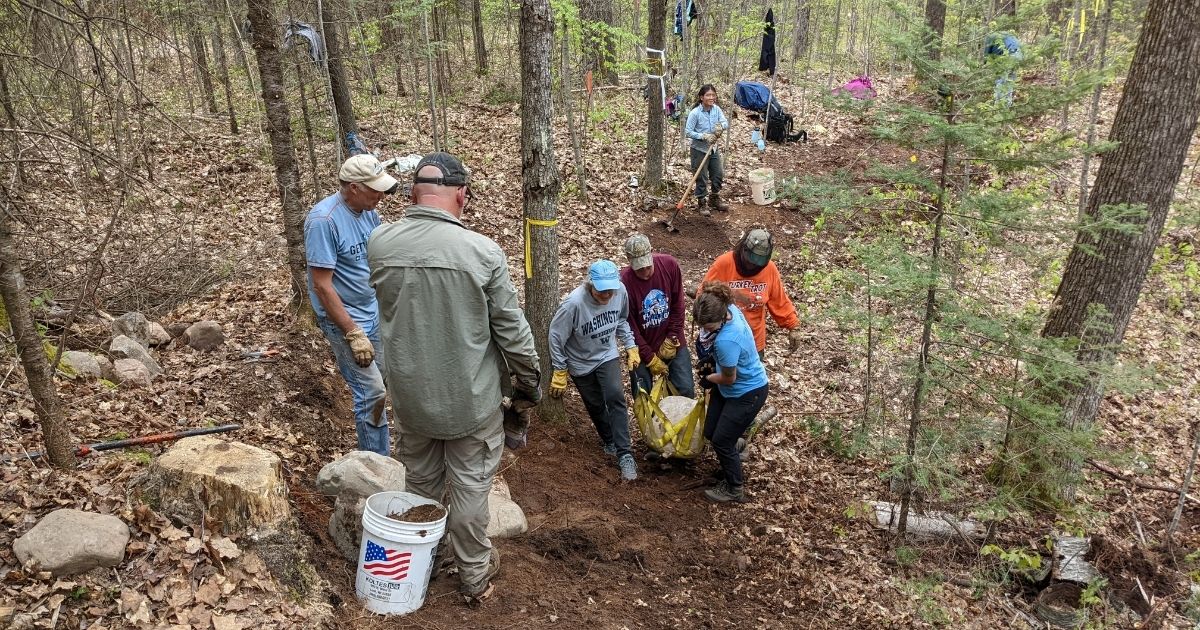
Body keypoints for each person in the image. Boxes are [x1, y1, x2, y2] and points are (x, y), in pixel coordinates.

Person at [367, 152, 541, 605]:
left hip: (410, 400)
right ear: (462, 195)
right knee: (468, 494)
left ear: (411, 195)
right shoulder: (482, 252)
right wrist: (529, 383)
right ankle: (474, 577)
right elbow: (511, 330)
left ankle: (418, 567)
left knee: (420, 488)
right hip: (470, 403)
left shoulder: (381, 244)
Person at [305, 153, 398, 456]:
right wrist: (352, 332)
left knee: (382, 383)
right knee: (371, 392)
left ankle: (379, 446)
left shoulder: (368, 211)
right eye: (375, 190)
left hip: (372, 309)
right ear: (354, 187)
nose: (381, 196)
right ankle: (375, 464)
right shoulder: (324, 221)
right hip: (344, 320)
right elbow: (321, 284)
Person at [548, 260, 641, 481]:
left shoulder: (620, 292)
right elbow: (555, 336)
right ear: (590, 285)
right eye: (602, 290)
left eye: (611, 289)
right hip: (580, 361)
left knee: (616, 396)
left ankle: (625, 453)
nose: (608, 294)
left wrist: (630, 345)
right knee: (595, 404)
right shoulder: (573, 304)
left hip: (606, 353)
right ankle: (608, 439)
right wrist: (560, 369)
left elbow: (621, 319)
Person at [693, 281, 770, 503]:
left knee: (721, 442)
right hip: (730, 389)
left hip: (748, 392)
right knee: (710, 432)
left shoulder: (726, 340)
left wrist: (707, 378)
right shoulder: (730, 308)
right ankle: (737, 447)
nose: (704, 330)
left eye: (707, 326)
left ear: (719, 320)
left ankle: (734, 488)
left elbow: (728, 377)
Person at [700, 227, 802, 357]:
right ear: (743, 249)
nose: (752, 266)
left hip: (753, 342)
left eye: (758, 263)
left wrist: (793, 326)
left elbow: (779, 300)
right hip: (722, 340)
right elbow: (704, 297)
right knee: (719, 375)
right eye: (751, 260)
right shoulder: (724, 264)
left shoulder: (769, 269)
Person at [620, 233, 694, 398]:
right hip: (641, 345)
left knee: (686, 389)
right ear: (629, 261)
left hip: (671, 340)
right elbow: (629, 325)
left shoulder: (669, 265)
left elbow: (678, 305)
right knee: (643, 397)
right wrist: (648, 356)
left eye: (648, 266)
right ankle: (648, 424)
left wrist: (673, 336)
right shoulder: (624, 283)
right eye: (640, 268)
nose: (646, 272)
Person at [684, 83, 731, 216]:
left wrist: (720, 127)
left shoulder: (716, 110)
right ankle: (702, 202)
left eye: (713, 95)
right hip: (699, 150)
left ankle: (714, 198)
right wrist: (704, 136)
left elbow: (725, 122)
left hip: (713, 149)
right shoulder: (695, 113)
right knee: (702, 177)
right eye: (708, 95)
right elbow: (688, 132)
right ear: (701, 97)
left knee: (718, 174)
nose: (711, 97)